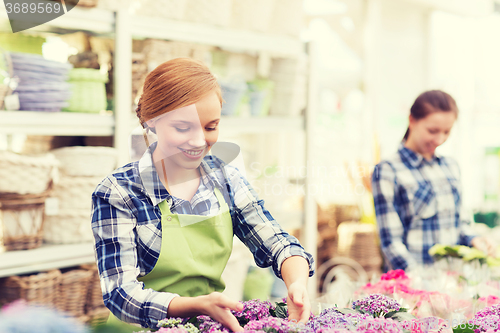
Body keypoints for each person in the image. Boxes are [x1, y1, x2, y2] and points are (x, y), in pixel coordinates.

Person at [91, 58, 314, 331]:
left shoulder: (226, 180)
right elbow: (120, 294)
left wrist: (297, 285)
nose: (199, 142)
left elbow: (279, 243)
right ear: (151, 121)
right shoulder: (119, 192)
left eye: (210, 127)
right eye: (183, 128)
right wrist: (193, 305)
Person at [371, 90, 495, 271]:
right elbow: (391, 243)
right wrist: (421, 284)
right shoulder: (388, 170)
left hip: (454, 281)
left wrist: (474, 238)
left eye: (447, 132)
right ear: (412, 120)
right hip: (412, 289)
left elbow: (460, 224)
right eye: (432, 131)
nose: (440, 139)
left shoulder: (450, 166)